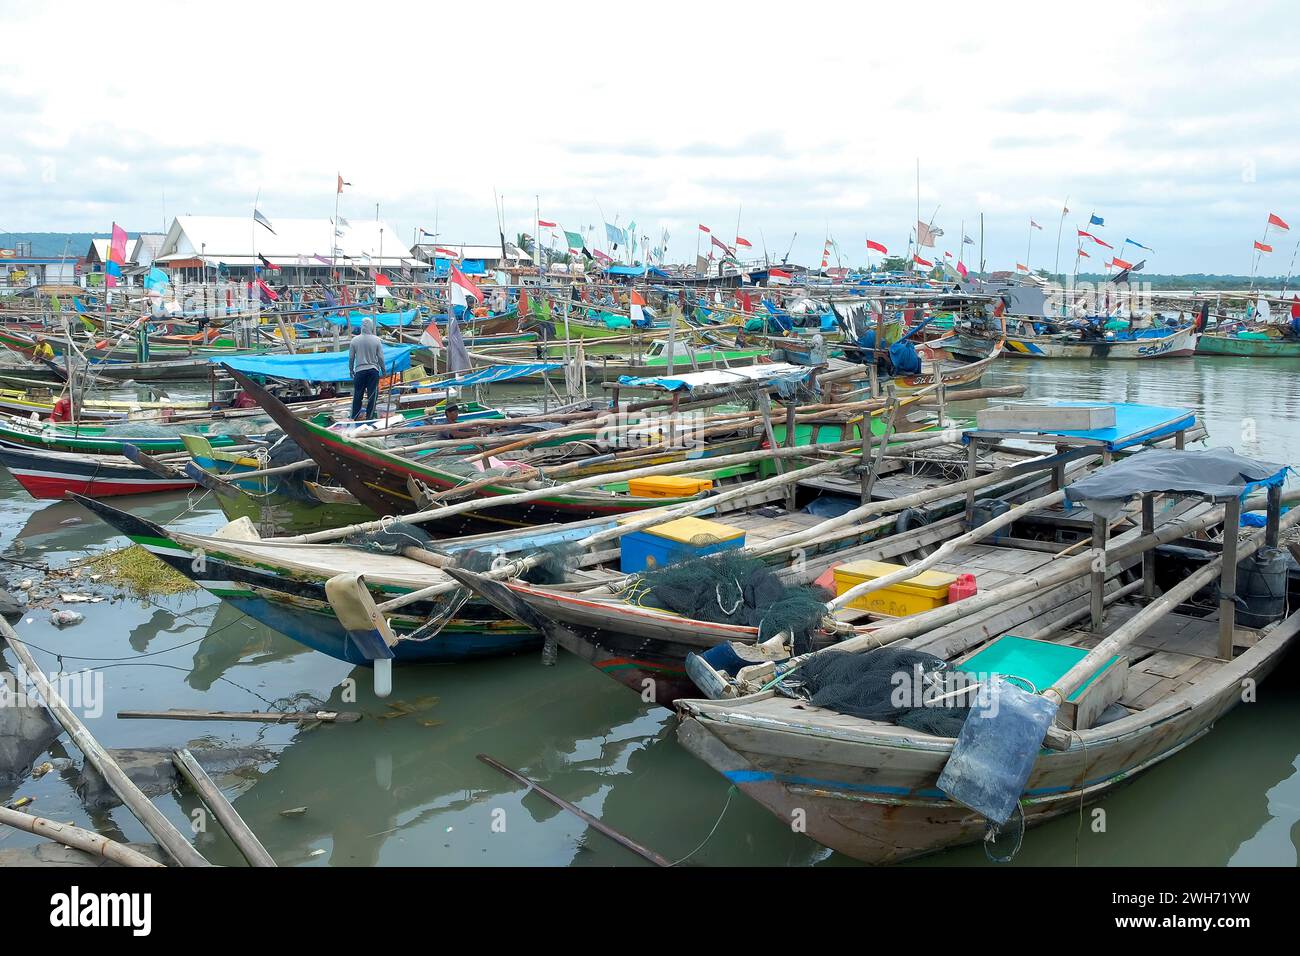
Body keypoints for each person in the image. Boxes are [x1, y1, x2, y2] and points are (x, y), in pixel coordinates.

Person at [348, 317, 384, 421]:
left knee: (357, 395)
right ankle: (369, 417)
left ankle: (354, 418)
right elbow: (380, 357)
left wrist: (351, 370)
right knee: (372, 396)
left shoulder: (354, 340)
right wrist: (384, 370)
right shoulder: (376, 340)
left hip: (359, 371)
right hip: (373, 371)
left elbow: (351, 358)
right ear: (371, 327)